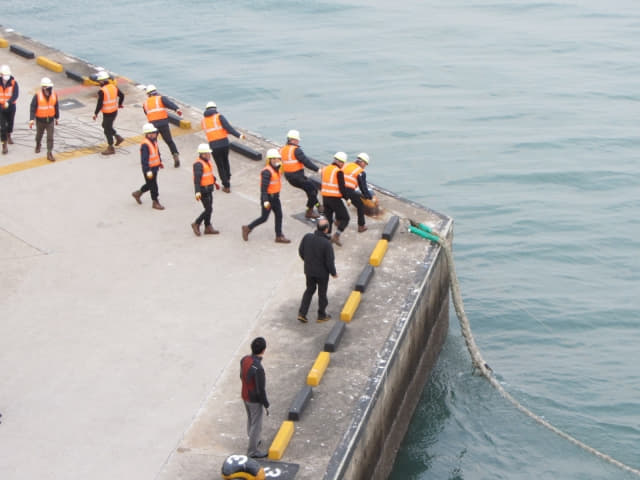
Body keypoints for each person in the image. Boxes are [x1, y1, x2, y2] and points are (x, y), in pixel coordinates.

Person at [242, 149, 291, 244]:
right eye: (275, 159)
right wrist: (265, 201)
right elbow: (263, 188)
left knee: (279, 215)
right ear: (270, 160)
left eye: (278, 159)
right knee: (264, 218)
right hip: (268, 198)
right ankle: (247, 228)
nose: (277, 161)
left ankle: (279, 236)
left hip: (275, 197)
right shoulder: (267, 172)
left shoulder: (276, 168)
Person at [297, 217, 338, 323]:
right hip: (322, 274)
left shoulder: (307, 237)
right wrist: (333, 273)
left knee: (309, 290)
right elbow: (329, 261)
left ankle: (302, 313)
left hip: (309, 270)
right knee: (322, 293)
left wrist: (307, 261)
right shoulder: (326, 244)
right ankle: (321, 315)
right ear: (326, 229)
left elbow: (301, 251)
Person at [201, 101, 245, 193]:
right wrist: (239, 135)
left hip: (213, 145)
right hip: (224, 143)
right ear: (215, 109)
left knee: (220, 165)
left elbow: (207, 132)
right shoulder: (219, 117)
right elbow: (228, 128)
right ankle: (228, 178)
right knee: (226, 161)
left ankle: (226, 185)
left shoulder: (203, 121)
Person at [280, 129, 322, 219]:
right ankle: (309, 212)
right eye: (297, 140)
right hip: (297, 177)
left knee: (310, 189)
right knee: (313, 191)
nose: (298, 141)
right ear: (293, 140)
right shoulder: (296, 150)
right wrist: (318, 169)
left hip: (290, 177)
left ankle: (319, 206)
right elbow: (306, 162)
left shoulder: (282, 149)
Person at [240, 337, 270, 459]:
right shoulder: (259, 368)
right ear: (263, 350)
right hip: (254, 399)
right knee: (256, 424)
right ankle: (253, 450)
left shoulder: (244, 359)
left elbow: (241, 375)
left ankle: (254, 440)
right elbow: (261, 389)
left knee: (250, 419)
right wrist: (266, 404)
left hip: (245, 394)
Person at [142, 84, 182, 167]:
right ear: (156, 92)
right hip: (163, 123)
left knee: (153, 143)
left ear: (148, 94)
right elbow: (169, 103)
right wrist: (177, 109)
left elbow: (146, 113)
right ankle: (175, 155)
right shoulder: (161, 98)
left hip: (152, 126)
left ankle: (158, 160)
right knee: (169, 141)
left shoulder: (145, 103)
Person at [131, 123, 165, 210]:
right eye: (153, 133)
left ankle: (138, 193)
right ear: (148, 134)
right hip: (149, 169)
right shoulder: (145, 145)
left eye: (155, 132)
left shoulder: (153, 141)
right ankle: (155, 202)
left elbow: (157, 153)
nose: (155, 134)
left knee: (150, 185)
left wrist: (159, 162)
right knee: (153, 186)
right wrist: (148, 170)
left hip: (155, 167)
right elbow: (144, 160)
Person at [342, 152, 376, 233]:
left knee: (338, 204)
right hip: (348, 190)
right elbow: (363, 188)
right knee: (360, 205)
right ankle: (361, 226)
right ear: (362, 162)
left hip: (337, 188)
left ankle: (337, 220)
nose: (365, 166)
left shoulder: (347, 165)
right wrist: (369, 197)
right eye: (365, 164)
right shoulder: (360, 171)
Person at [191, 143, 221, 236]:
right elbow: (197, 179)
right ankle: (197, 223)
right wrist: (197, 192)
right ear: (203, 154)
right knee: (208, 209)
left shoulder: (206, 162)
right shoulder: (198, 165)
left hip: (209, 189)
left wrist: (214, 181)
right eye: (208, 153)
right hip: (203, 190)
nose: (209, 155)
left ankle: (207, 226)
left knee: (209, 208)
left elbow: (208, 174)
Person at [92, 71, 125, 155]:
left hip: (108, 113)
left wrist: (95, 113)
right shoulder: (113, 87)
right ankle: (118, 137)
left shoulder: (102, 91)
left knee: (106, 130)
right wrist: (120, 104)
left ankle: (111, 148)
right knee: (105, 125)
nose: (98, 83)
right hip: (114, 111)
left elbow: (100, 103)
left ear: (102, 81)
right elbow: (122, 95)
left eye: (99, 81)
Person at [321, 152, 350, 246]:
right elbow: (342, 187)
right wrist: (347, 198)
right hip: (334, 199)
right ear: (341, 163)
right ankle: (336, 236)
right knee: (345, 218)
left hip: (325, 197)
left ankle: (327, 237)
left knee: (328, 218)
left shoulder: (325, 169)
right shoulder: (338, 171)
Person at [29, 77, 59, 162]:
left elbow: (56, 106)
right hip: (40, 120)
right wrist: (31, 119)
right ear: (43, 87)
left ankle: (49, 153)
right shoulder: (37, 96)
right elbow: (32, 107)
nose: (48, 89)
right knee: (39, 135)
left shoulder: (54, 95)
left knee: (50, 137)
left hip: (50, 120)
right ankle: (38, 144)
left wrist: (57, 117)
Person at [0, 64, 19, 155]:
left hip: (11, 107)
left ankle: (9, 135)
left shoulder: (14, 83)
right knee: (2, 127)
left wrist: (9, 102)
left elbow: (15, 95)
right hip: (1, 107)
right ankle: (4, 144)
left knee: (10, 123)